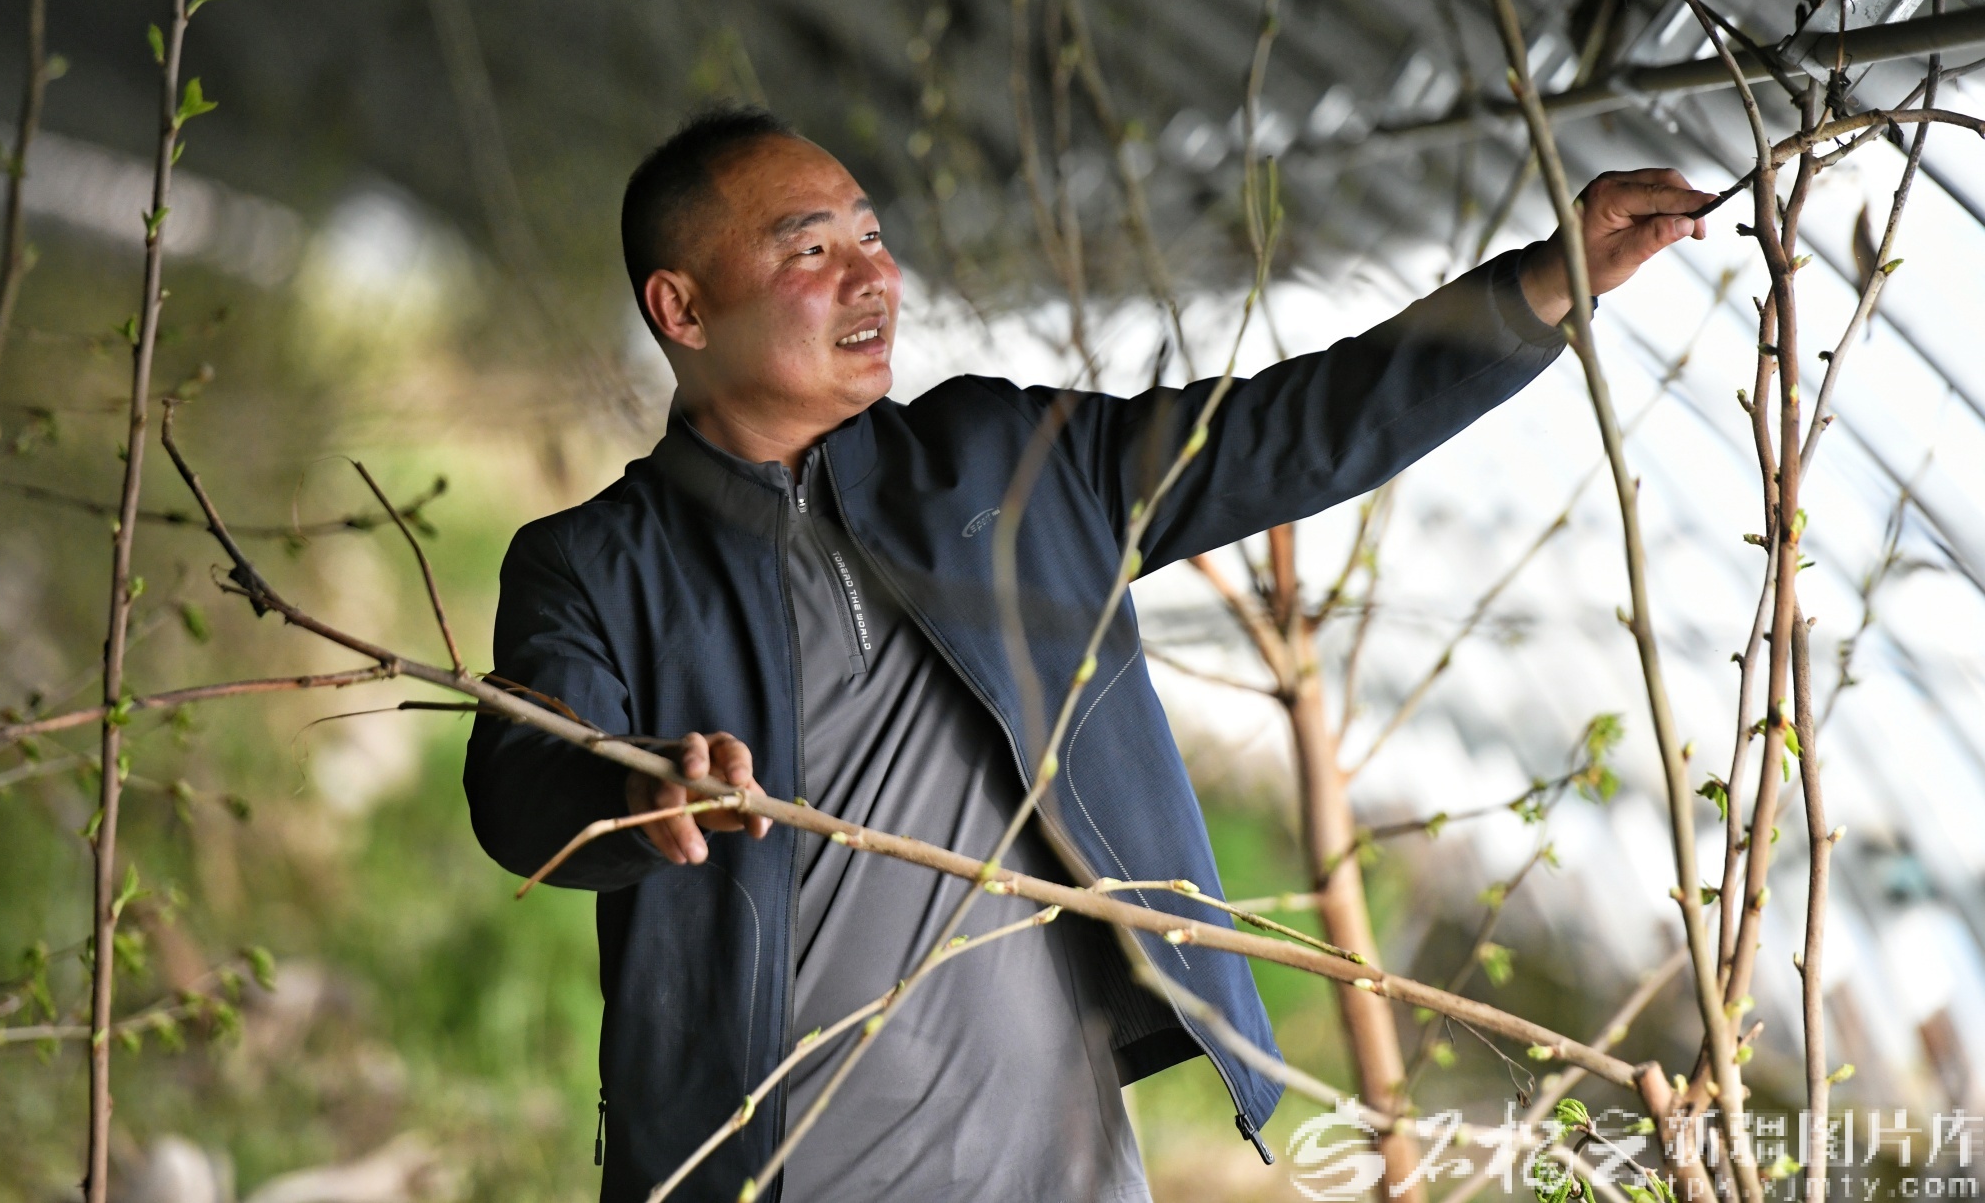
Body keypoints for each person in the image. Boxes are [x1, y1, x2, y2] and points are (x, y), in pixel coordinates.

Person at [464, 107, 1712, 1203]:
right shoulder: (592, 563)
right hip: (763, 1172)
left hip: (1053, 1169)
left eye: (871, 235)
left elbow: (1296, 429)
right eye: (810, 250)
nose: (872, 276)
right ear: (681, 308)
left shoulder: (1004, 464)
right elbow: (521, 786)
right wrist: (636, 792)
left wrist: (1538, 287)